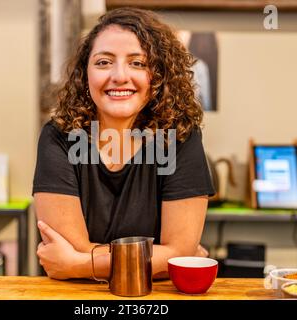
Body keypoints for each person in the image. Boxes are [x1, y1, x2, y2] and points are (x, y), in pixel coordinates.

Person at [33, 7, 215, 280]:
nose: (119, 76)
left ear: (159, 75)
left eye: (138, 63)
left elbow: (179, 253)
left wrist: (83, 264)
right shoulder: (59, 137)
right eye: (104, 62)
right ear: (85, 75)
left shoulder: (180, 137)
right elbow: (68, 248)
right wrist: (160, 258)